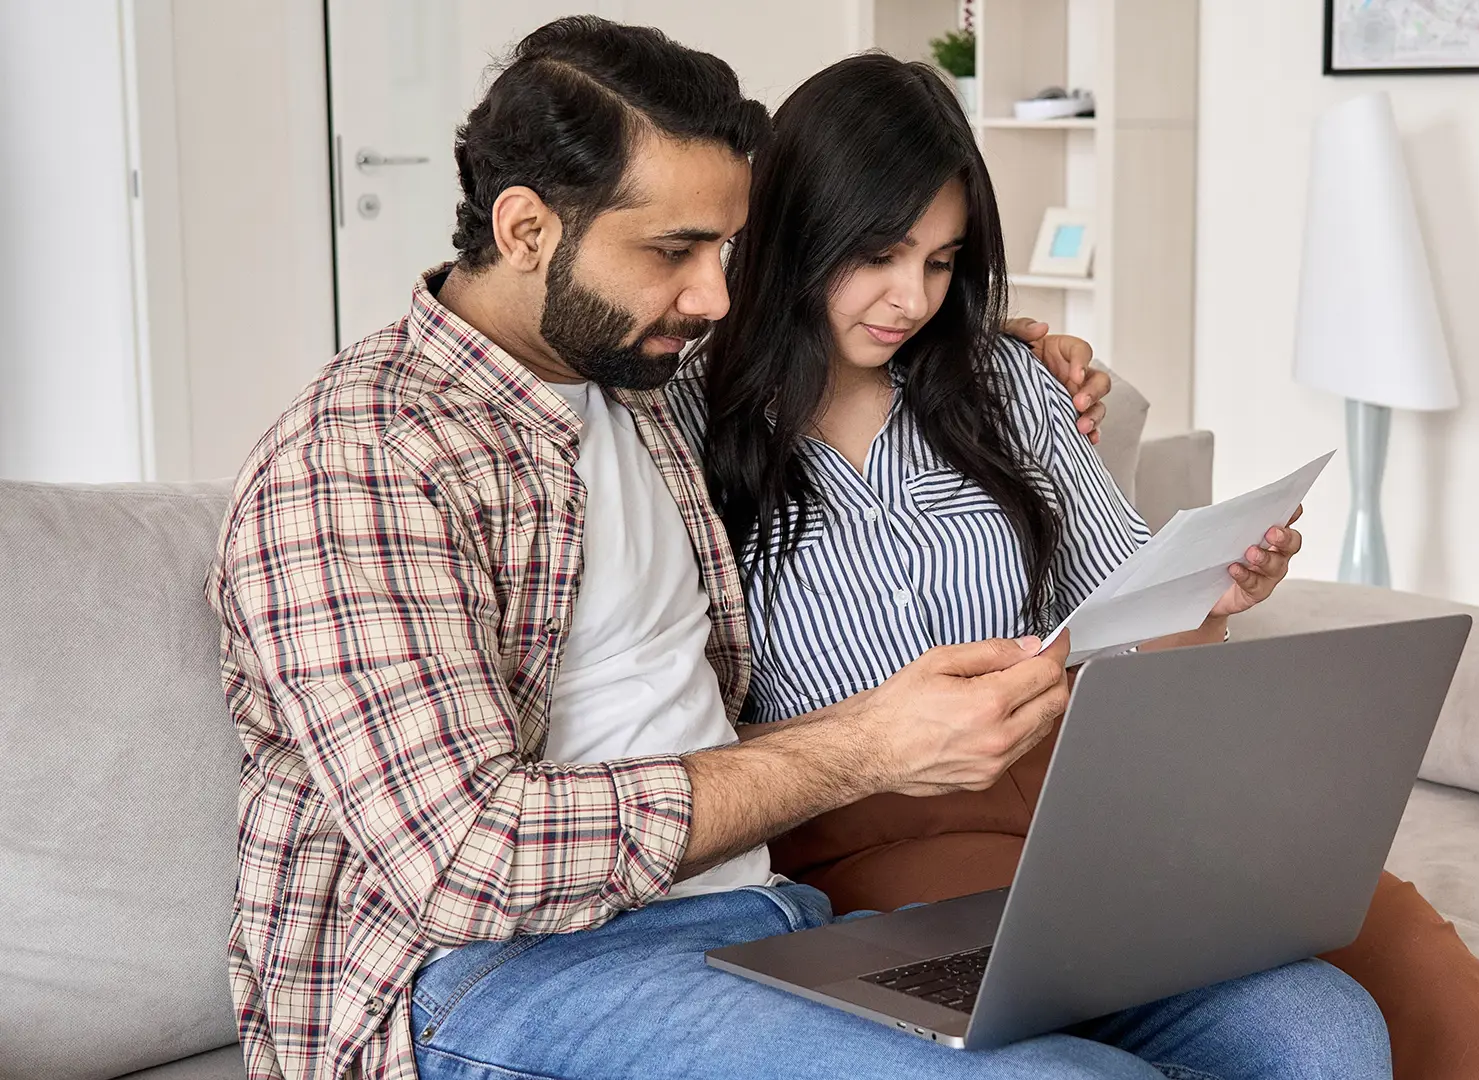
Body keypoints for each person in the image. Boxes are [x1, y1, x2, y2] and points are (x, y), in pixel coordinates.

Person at [206, 17, 1387, 1080]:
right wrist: (867, 746)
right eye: (675, 251)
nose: (719, 296)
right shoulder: (358, 463)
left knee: (1313, 1026)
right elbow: (469, 861)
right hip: (499, 978)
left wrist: (1011, 345)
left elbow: (840, 342)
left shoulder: (641, 387)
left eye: (728, 248)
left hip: (763, 910)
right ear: (526, 229)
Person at [673, 53, 1479, 1080]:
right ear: (799, 231)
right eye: (879, 254)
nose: (911, 296)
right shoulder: (690, 424)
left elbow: (1128, 601)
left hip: (1085, 773)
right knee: (1262, 1012)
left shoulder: (1005, 381)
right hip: (871, 825)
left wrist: (1214, 588)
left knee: (1399, 936)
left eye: (941, 260)